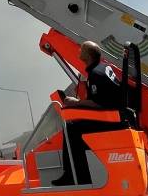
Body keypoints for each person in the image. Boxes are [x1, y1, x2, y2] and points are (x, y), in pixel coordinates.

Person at [51, 41, 127, 187]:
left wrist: (76, 102)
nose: (79, 50)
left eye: (82, 49)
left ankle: (73, 176)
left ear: (88, 55)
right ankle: (82, 173)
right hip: (116, 116)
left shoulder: (95, 74)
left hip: (111, 121)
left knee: (71, 128)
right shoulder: (104, 67)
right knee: (78, 127)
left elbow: (99, 103)